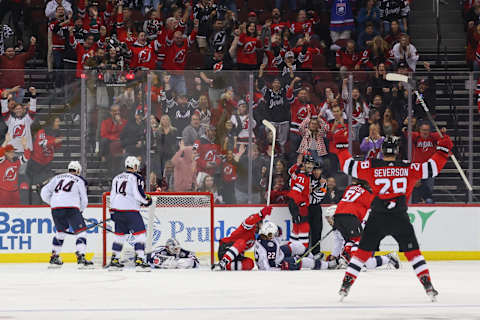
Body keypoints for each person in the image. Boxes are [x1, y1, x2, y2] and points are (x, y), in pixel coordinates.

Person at [332, 129, 453, 301]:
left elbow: (347, 166)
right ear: (396, 151)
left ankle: (345, 286)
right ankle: (428, 287)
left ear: (382, 150)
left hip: (378, 216)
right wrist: (443, 150)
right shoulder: (408, 167)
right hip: (399, 217)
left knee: (362, 253)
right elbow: (432, 168)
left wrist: (342, 146)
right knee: (414, 254)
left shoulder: (372, 165)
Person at [324, 181, 399, 270]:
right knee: (364, 260)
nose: (329, 221)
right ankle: (386, 259)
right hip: (352, 219)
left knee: (355, 244)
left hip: (366, 242)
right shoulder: (367, 194)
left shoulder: (350, 188)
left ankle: (386, 258)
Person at [40, 161, 92, 268]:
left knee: (61, 233)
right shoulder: (79, 180)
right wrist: (80, 210)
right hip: (72, 208)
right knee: (81, 232)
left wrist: (54, 203)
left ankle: (55, 256)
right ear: (78, 171)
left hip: (56, 208)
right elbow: (84, 199)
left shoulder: (56, 178)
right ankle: (81, 256)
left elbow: (44, 192)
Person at [108, 156, 153, 271]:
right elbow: (138, 193)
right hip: (130, 210)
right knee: (140, 235)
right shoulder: (136, 177)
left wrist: (112, 210)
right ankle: (140, 260)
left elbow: (112, 196)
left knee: (119, 236)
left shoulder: (117, 177)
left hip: (117, 210)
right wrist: (146, 200)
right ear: (135, 166)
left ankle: (115, 260)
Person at [254, 221, 336, 271]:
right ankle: (327, 265)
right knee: (303, 261)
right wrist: (282, 267)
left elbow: (278, 240)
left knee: (298, 246)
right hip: (278, 263)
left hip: (278, 255)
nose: (275, 235)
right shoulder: (268, 247)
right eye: (273, 234)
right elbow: (267, 268)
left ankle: (313, 258)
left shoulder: (264, 239)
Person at [212, 206, 272, 270]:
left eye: (260, 223)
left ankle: (224, 266)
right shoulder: (246, 228)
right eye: (258, 223)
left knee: (250, 263)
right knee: (241, 242)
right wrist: (261, 214)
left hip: (235, 255)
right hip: (226, 248)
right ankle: (222, 263)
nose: (259, 225)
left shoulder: (255, 237)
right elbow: (250, 220)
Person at [287, 154, 314, 248]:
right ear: (304, 164)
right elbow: (295, 193)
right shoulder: (303, 176)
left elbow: (289, 171)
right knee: (304, 226)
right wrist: (301, 205)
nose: (310, 166)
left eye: (312, 164)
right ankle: (303, 249)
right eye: (308, 164)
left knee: (297, 226)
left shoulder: (297, 171)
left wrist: (297, 165)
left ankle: (291, 248)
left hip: (293, 203)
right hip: (297, 203)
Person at [1, 87, 37, 153]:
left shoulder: (28, 119)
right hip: (12, 151)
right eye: (17, 109)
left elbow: (33, 108)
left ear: (23, 110)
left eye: (20, 108)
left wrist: (33, 94)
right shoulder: (9, 120)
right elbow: (4, 110)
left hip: (25, 151)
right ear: (13, 110)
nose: (18, 110)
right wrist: (4, 97)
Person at [308, 162, 327, 255]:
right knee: (306, 231)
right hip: (306, 208)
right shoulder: (307, 179)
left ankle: (316, 252)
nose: (316, 172)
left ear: (321, 171)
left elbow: (321, 195)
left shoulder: (323, 181)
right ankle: (305, 252)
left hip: (316, 208)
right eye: (314, 170)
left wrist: (311, 191)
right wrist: (313, 190)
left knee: (317, 231)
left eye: (318, 170)